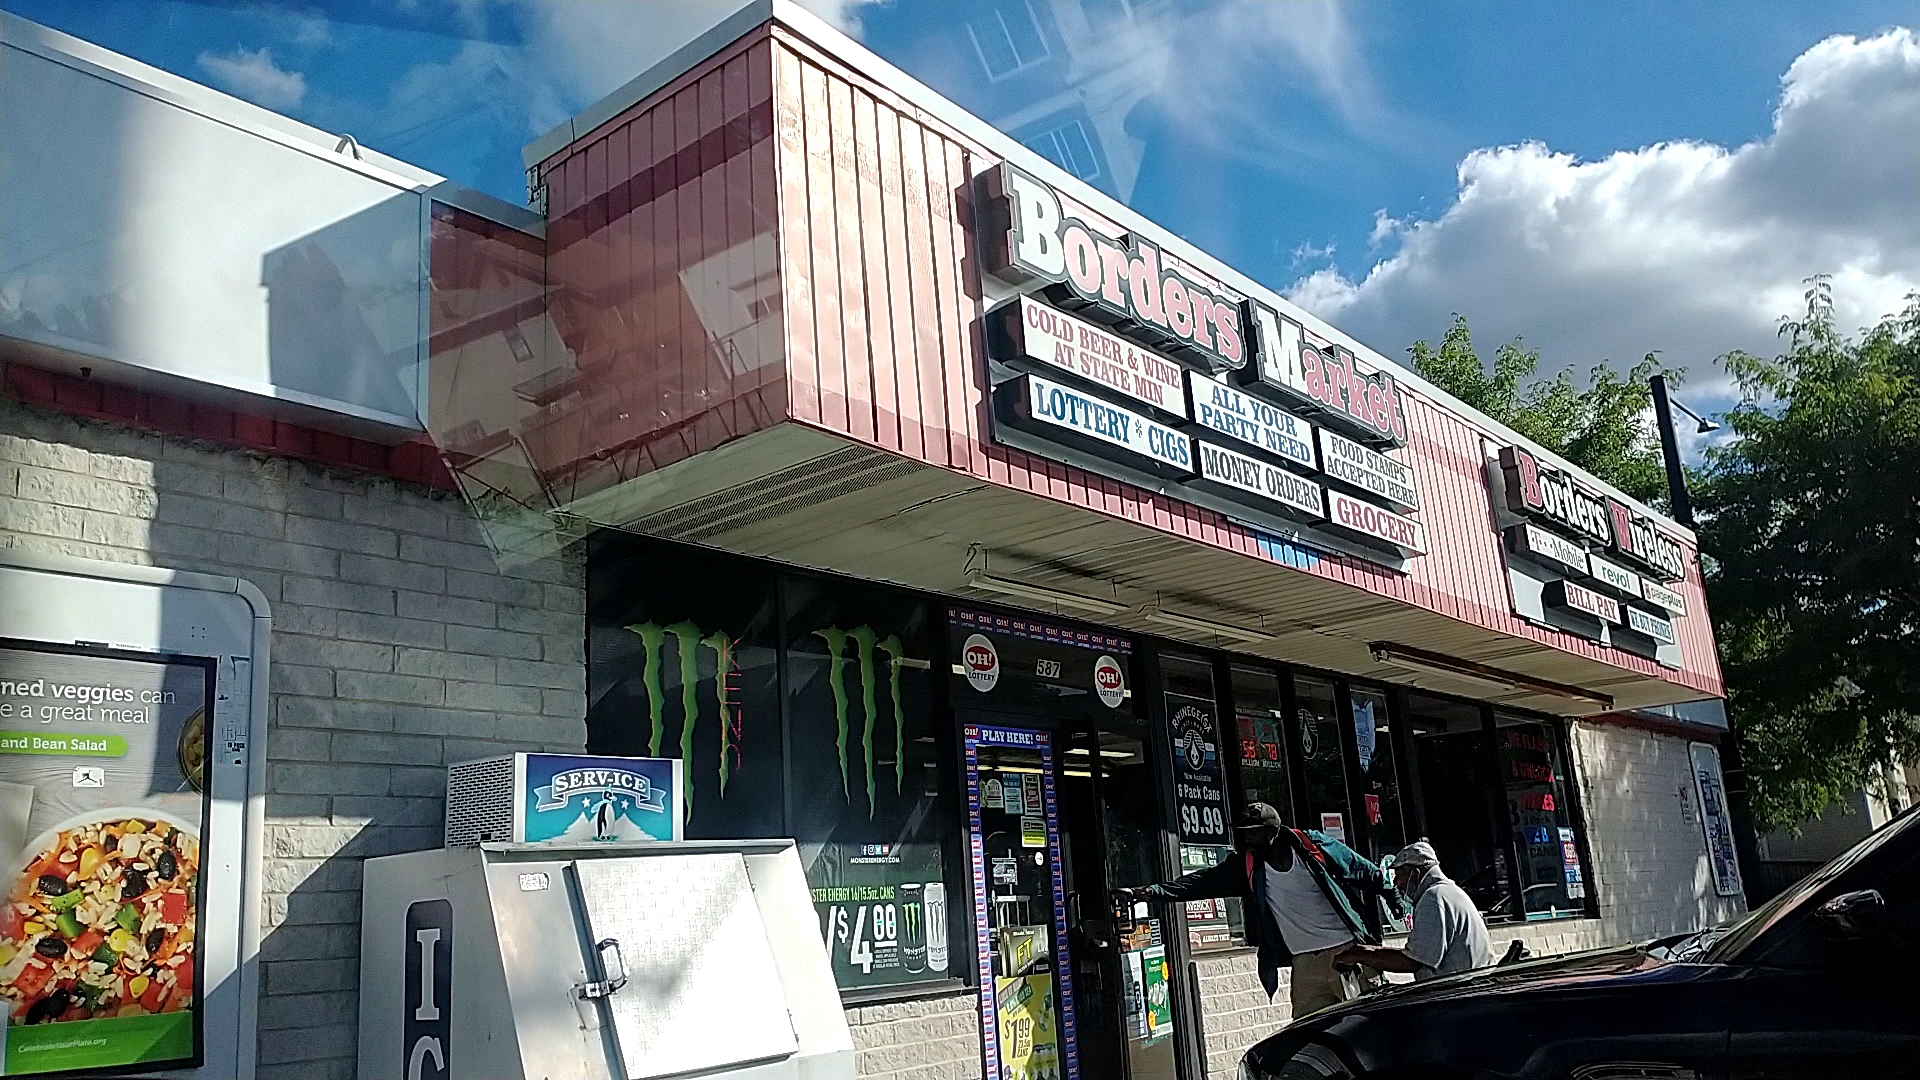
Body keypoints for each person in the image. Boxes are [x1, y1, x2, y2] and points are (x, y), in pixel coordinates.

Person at [1123, 803, 1403, 1018]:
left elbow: (1362, 870)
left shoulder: (1312, 847)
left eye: (1253, 832)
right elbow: (1203, 882)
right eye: (1244, 833)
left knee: (1367, 1022)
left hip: (1347, 952)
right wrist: (1152, 892)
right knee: (1308, 1034)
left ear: (1273, 831)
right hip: (1305, 962)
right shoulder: (1249, 865)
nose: (1247, 839)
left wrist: (1393, 897)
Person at [1337, 840, 1493, 981]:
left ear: (1415, 873)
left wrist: (1361, 954)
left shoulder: (1434, 898)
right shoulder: (1448, 891)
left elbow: (1413, 961)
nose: (1396, 883)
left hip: (1458, 991)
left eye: (1398, 875)